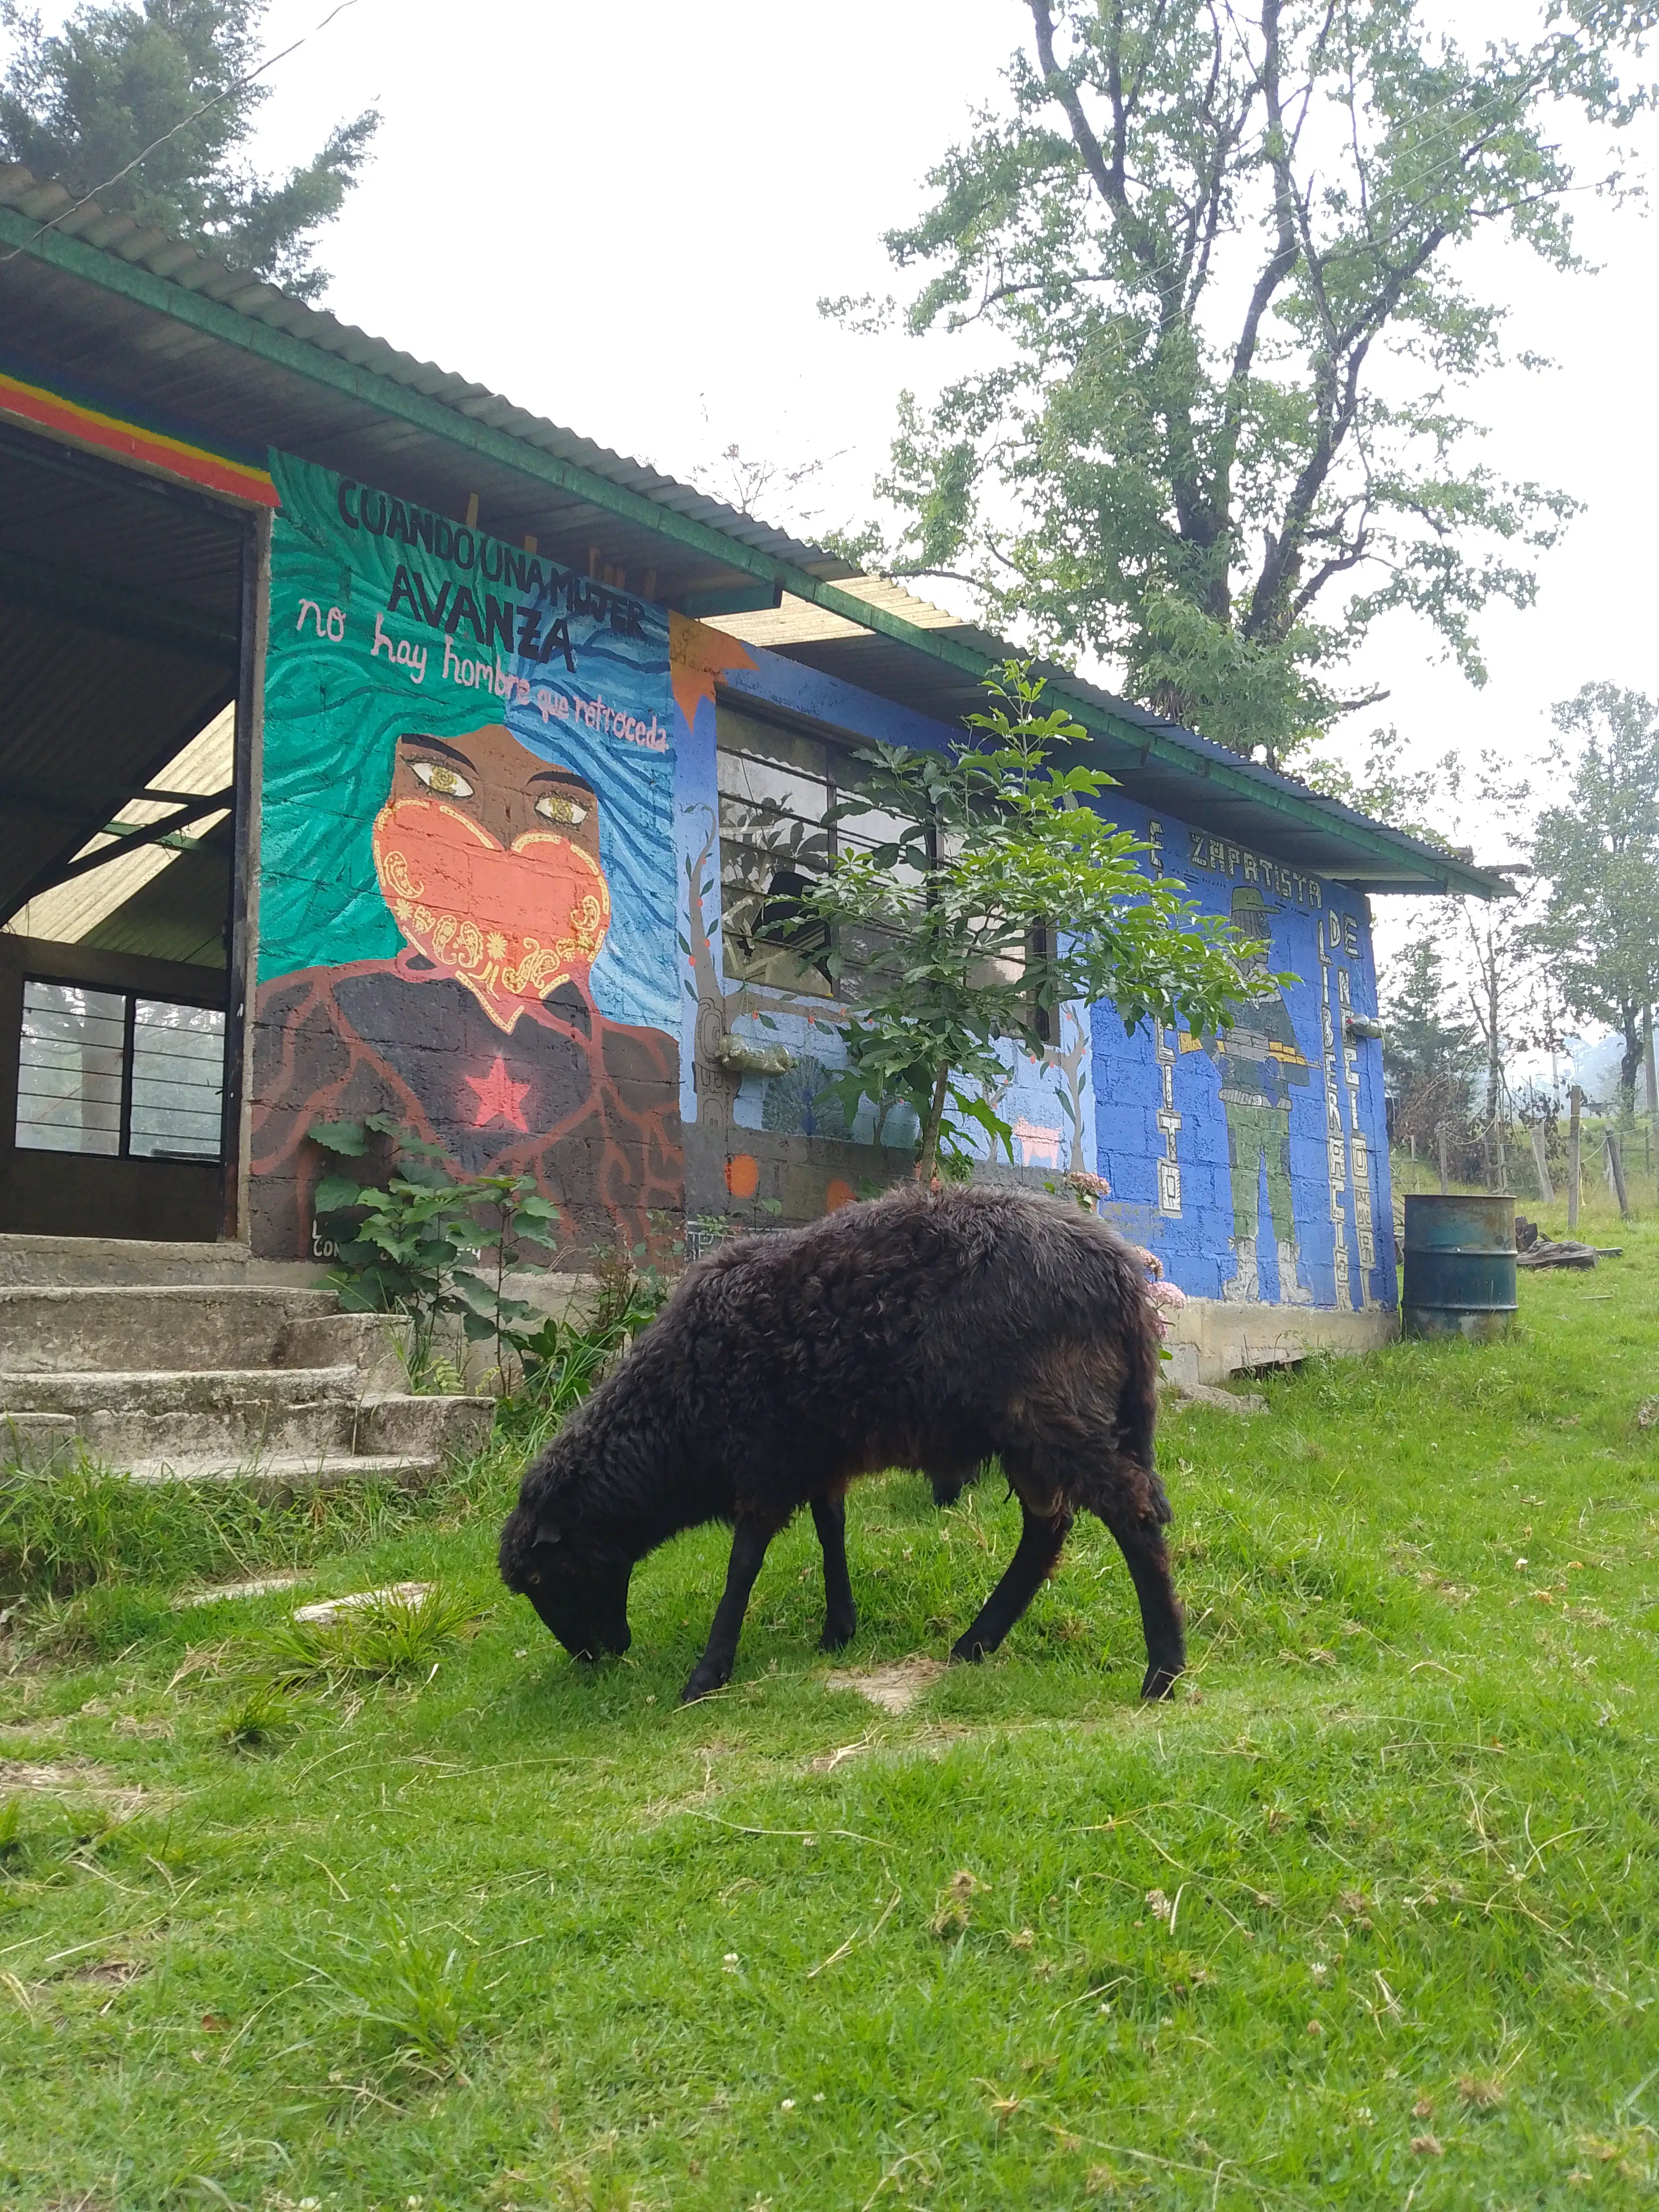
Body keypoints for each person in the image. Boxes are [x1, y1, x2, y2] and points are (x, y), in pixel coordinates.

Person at [250, 720, 681, 1259]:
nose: (505, 840)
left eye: (561, 812)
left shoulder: (646, 1067)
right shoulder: (304, 1014)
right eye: (442, 783)